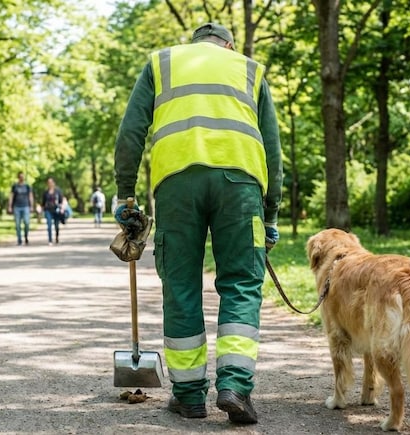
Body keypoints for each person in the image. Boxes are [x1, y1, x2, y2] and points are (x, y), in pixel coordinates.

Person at [113, 23, 283, 425]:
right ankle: (235, 386)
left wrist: (126, 196)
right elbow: (272, 151)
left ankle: (189, 396)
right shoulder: (249, 69)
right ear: (228, 45)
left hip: (177, 185)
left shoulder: (162, 62)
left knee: (182, 283)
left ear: (194, 44)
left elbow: (131, 134)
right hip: (240, 186)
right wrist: (271, 214)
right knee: (242, 282)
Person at [7, 171, 34, 245]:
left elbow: (30, 196)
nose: (21, 178)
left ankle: (26, 236)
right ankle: (19, 239)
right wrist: (9, 206)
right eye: (20, 177)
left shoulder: (27, 186)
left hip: (26, 206)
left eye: (23, 177)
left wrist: (31, 206)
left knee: (26, 222)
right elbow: (11, 196)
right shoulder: (15, 186)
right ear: (18, 177)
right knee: (17, 224)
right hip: (17, 207)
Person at [40, 177, 66, 245]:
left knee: (56, 225)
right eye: (48, 182)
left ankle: (57, 237)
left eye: (51, 182)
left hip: (56, 210)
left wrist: (62, 208)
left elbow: (61, 200)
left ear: (54, 183)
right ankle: (50, 240)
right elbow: (43, 202)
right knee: (49, 225)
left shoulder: (58, 191)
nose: (50, 184)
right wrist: (41, 211)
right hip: (48, 210)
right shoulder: (45, 192)